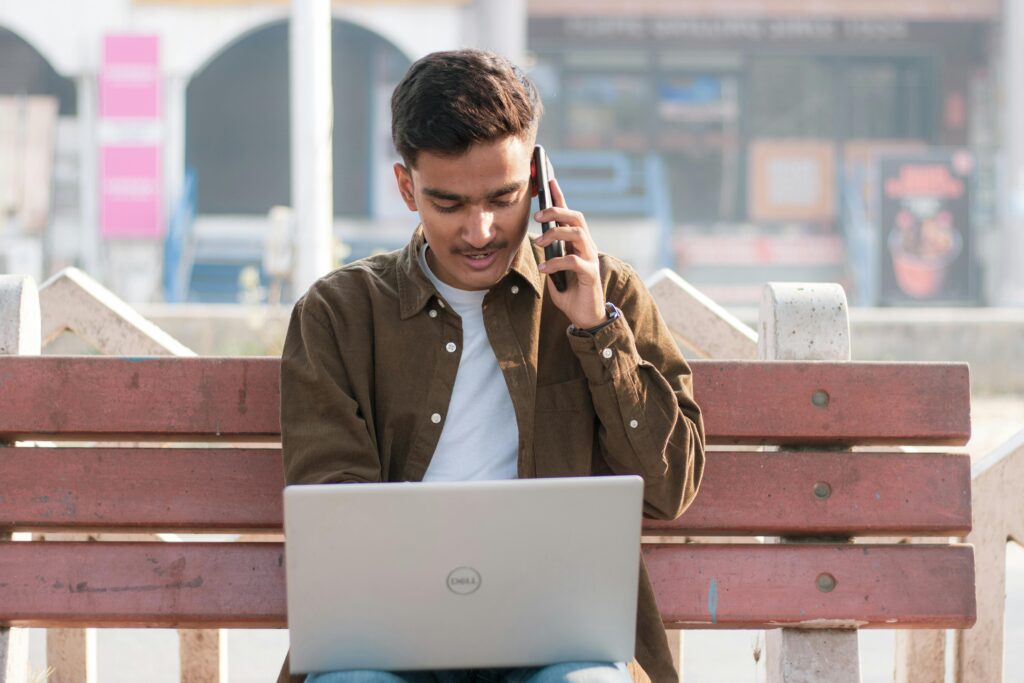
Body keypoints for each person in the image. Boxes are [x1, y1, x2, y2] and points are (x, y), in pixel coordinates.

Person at [278, 49, 705, 683]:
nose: (480, 231)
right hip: (387, 645)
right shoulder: (339, 315)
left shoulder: (606, 293)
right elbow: (335, 523)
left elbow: (671, 489)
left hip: (561, 646)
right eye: (449, 204)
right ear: (406, 187)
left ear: (538, 182)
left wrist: (595, 330)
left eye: (502, 199)